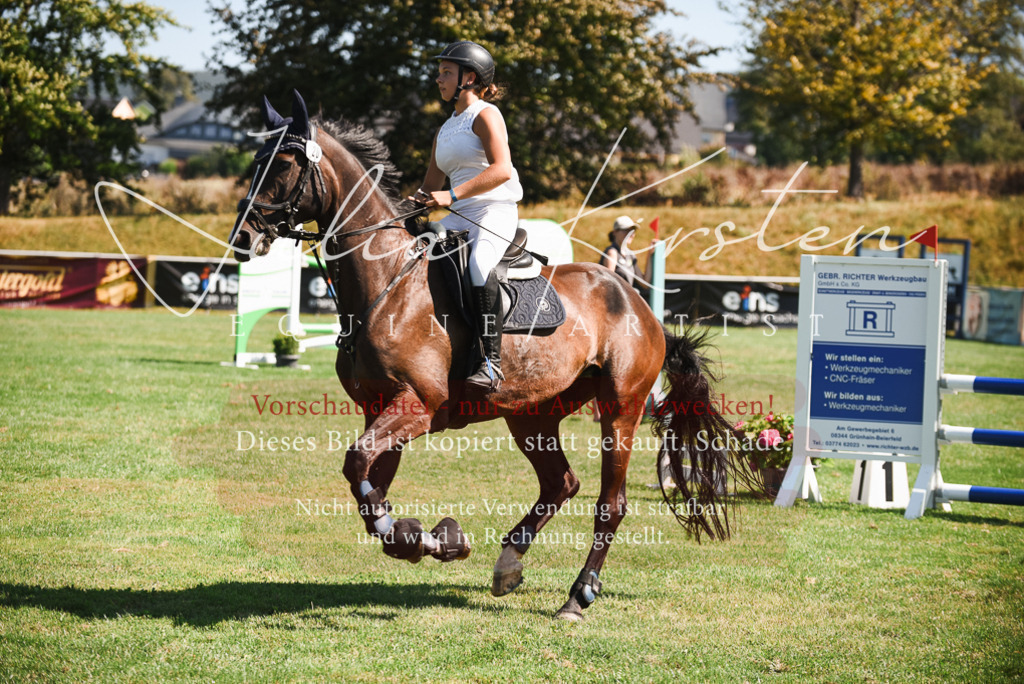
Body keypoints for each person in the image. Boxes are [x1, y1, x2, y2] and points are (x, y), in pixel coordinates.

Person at [411, 41, 523, 392]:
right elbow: (430, 186)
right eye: (440, 72)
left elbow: (503, 169)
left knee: (478, 265)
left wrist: (451, 195)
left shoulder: (486, 115)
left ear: (468, 77)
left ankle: (491, 363)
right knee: (415, 254)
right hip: (459, 214)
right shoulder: (444, 130)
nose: (438, 78)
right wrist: (407, 206)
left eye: (446, 72)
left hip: (494, 210)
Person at [602, 216, 653, 294]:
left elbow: (644, 283)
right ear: (615, 232)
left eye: (633, 231)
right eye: (626, 230)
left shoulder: (630, 255)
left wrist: (650, 253)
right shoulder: (612, 253)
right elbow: (608, 285)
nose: (631, 234)